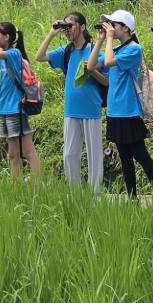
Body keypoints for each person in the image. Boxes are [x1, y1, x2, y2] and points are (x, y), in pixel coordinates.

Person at [89, 10, 153, 200]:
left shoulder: (134, 49)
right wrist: (99, 40)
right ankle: (132, 198)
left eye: (113, 25)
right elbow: (91, 66)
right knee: (124, 158)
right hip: (114, 112)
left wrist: (108, 39)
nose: (110, 28)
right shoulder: (116, 49)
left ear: (126, 28)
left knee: (141, 155)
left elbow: (108, 62)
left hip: (129, 112)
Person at [34, 11, 103, 191]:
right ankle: (75, 193)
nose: (67, 30)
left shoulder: (94, 50)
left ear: (82, 27)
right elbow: (39, 56)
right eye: (66, 26)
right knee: (69, 155)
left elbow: (107, 81)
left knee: (94, 157)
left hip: (91, 109)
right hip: (71, 110)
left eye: (70, 25)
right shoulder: (66, 51)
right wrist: (52, 32)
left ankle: (95, 195)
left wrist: (92, 70)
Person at [0, 21, 41, 179]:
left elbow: (0, 54)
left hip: (16, 107)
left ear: (7, 37)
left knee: (27, 151)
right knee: (13, 154)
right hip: (3, 107)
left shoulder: (14, 53)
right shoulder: (0, 54)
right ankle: (17, 186)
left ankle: (38, 185)